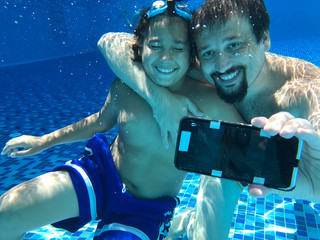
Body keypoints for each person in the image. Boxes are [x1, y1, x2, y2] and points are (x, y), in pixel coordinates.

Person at [0, 1, 243, 239]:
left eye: (177, 49)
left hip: (144, 210)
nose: (166, 58)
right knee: (6, 212)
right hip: (101, 176)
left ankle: (176, 225)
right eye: (156, 46)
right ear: (141, 47)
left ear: (192, 54)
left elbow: (245, 144)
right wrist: (43, 141)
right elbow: (97, 122)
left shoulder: (210, 101)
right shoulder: (125, 88)